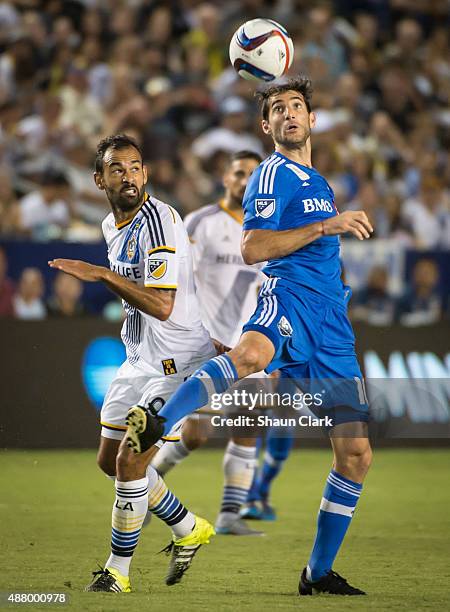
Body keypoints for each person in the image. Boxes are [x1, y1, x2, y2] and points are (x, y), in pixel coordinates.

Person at [126, 77, 374, 596]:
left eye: (297, 106)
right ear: (267, 126)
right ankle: (156, 422)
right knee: (252, 353)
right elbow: (254, 248)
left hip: (331, 324)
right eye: (278, 109)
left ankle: (317, 573)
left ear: (311, 119)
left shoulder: (318, 181)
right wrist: (327, 227)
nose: (289, 114)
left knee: (355, 455)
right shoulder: (270, 174)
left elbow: (315, 252)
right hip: (289, 301)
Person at [48, 134, 216, 593]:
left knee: (129, 459)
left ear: (146, 173)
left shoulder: (159, 222)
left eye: (136, 166)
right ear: (99, 179)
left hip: (178, 362)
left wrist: (103, 275)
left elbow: (162, 305)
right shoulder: (110, 225)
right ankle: (187, 527)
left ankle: (117, 572)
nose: (129, 176)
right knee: (110, 461)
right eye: (117, 169)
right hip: (138, 359)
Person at [151, 150, 267, 535]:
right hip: (210, 346)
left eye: (254, 174)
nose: (246, 181)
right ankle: (149, 480)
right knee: (197, 435)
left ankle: (230, 515)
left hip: (252, 344)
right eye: (239, 173)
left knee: (249, 425)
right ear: (225, 178)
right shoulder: (200, 222)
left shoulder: (269, 228)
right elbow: (177, 282)